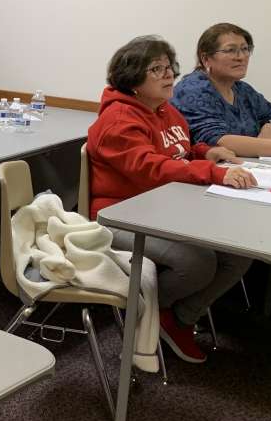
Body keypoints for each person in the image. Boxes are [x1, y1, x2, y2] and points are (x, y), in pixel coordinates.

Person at [87, 36, 257, 364]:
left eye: (169, 68)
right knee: (199, 261)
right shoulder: (118, 121)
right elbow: (153, 168)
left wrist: (206, 151)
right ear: (133, 79)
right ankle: (146, 314)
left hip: (163, 209)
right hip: (120, 215)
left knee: (238, 254)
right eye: (156, 69)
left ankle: (175, 317)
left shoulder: (165, 111)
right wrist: (214, 172)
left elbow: (177, 150)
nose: (169, 76)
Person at [172, 22, 271, 159]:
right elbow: (216, 140)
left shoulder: (242, 89)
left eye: (245, 49)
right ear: (206, 58)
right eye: (231, 50)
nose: (241, 57)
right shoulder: (192, 89)